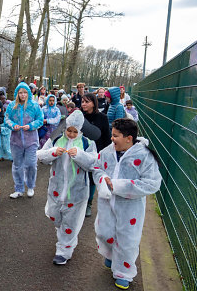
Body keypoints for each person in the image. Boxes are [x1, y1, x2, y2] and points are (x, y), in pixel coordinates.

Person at [93, 118, 161, 290]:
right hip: (107, 202)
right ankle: (110, 253)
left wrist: (119, 185)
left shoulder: (144, 156)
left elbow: (152, 183)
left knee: (127, 240)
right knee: (104, 232)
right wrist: (102, 179)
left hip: (130, 208)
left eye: (115, 136)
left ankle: (123, 272)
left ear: (128, 138)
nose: (112, 139)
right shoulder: (108, 151)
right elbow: (97, 167)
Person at [37, 110, 97, 265]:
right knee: (54, 216)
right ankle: (64, 234)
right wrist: (53, 153)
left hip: (76, 193)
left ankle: (63, 251)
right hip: (55, 190)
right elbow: (41, 156)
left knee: (70, 223)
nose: (71, 134)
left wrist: (79, 155)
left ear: (80, 131)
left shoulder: (88, 144)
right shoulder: (56, 140)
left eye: (74, 131)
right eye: (69, 130)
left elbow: (93, 164)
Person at [5, 82, 44, 198]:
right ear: (17, 93)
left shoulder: (34, 106)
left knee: (31, 164)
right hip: (16, 141)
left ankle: (30, 186)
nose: (23, 95)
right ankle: (19, 189)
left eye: (25, 93)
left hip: (31, 141)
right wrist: (13, 125)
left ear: (28, 93)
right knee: (17, 165)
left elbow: (40, 119)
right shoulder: (12, 106)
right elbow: (6, 119)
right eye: (20, 93)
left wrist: (31, 126)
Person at [81, 93, 112, 217]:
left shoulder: (102, 118)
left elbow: (106, 137)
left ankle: (88, 203)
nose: (83, 104)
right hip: (81, 153)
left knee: (91, 179)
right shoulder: (80, 117)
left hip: (96, 154)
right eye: (82, 101)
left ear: (93, 103)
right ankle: (79, 203)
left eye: (86, 102)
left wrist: (104, 155)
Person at [0, 87, 13, 161]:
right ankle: (0, 156)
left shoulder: (9, 106)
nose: (2, 100)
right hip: (0, 128)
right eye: (1, 99)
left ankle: (12, 157)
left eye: (3, 99)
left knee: (7, 145)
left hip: (6, 129)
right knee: (0, 145)